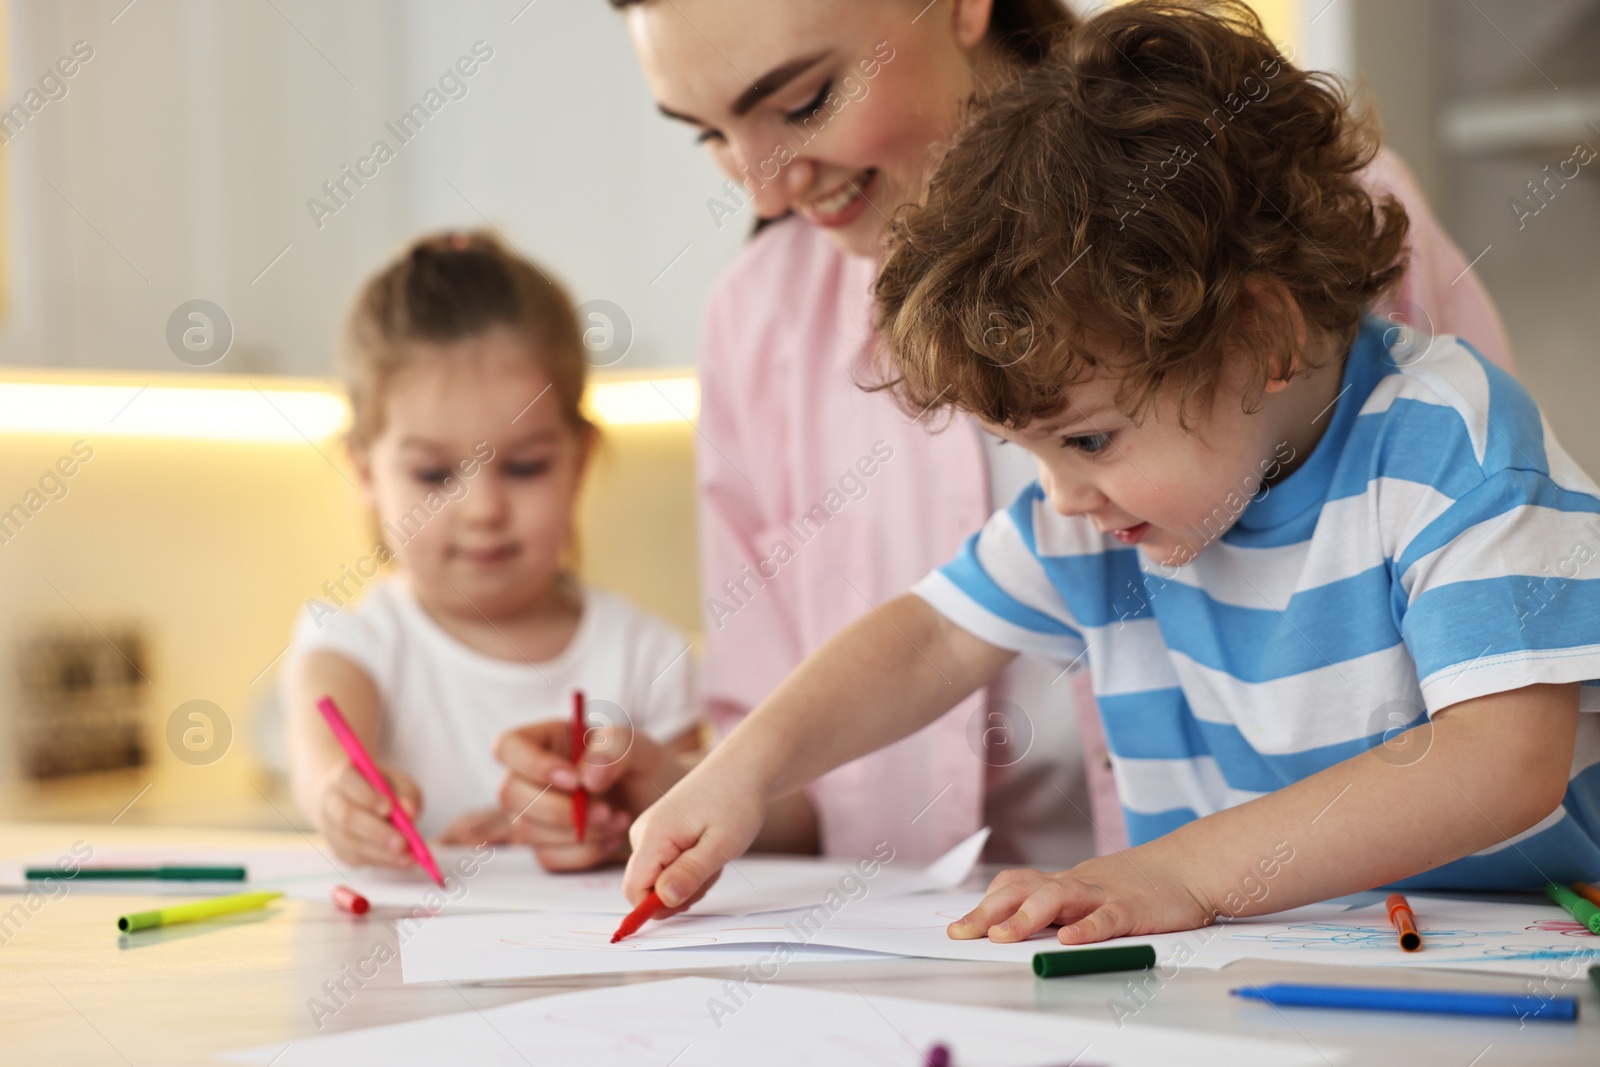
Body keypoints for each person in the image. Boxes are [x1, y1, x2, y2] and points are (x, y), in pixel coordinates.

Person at [621, 1, 1600, 945]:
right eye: (1028, 450)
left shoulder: (1447, 443)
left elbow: (1502, 758)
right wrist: (740, 773)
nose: (1058, 496)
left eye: (1086, 439)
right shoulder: (1099, 508)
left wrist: (1179, 870)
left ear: (1261, 336)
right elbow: (927, 638)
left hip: (1530, 948)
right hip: (1307, 953)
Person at [283, 231, 700, 870]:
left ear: (581, 462)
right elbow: (324, 772)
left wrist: (622, 830)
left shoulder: (652, 657)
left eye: (526, 467)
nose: (483, 510)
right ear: (364, 472)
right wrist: (342, 802)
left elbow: (696, 825)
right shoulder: (351, 644)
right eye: (433, 475)